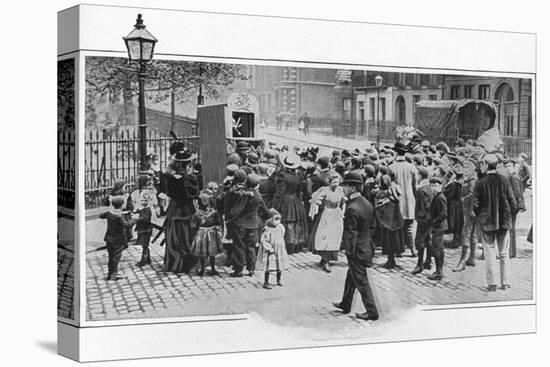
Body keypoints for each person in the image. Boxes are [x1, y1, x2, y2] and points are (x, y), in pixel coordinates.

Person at [333, 172, 379, 321]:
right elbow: (373, 225)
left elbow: (350, 233)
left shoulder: (352, 208)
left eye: (345, 186)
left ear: (352, 188)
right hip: (366, 246)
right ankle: (345, 303)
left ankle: (372, 312)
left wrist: (349, 251)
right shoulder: (366, 203)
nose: (343, 189)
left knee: (361, 281)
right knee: (351, 276)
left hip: (357, 251)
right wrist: (366, 239)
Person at [473, 154, 517, 291]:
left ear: (486, 165)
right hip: (504, 222)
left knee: (490, 253)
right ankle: (505, 282)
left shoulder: (480, 183)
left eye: (482, 164)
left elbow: (475, 205)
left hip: (488, 223)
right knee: (504, 254)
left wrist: (481, 216)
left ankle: (492, 284)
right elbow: (512, 202)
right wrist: (509, 216)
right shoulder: (504, 180)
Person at [163, 149, 200, 274]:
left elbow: (167, 191)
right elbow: (195, 193)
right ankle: (187, 264)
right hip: (188, 209)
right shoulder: (191, 178)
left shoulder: (172, 178)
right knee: (188, 234)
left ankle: (174, 263)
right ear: (189, 163)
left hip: (175, 209)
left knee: (175, 235)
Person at [225, 173, 270, 277]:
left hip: (239, 224)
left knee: (238, 247)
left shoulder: (240, 193)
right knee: (251, 247)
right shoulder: (258, 196)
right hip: (253, 225)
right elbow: (265, 211)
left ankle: (238, 270)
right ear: (257, 185)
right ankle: (251, 269)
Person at [271, 152, 308, 254]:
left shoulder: (283, 176)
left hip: (286, 201)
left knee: (288, 223)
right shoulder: (297, 176)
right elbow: (299, 191)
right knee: (296, 223)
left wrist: (274, 207)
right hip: (296, 201)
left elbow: (280, 193)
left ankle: (288, 246)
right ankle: (296, 246)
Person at [308, 172, 346, 273]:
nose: (336, 184)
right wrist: (315, 209)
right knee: (325, 236)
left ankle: (327, 259)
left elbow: (344, 201)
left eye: (337, 182)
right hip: (327, 214)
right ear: (329, 182)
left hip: (337, 214)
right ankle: (325, 260)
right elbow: (316, 200)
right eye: (334, 182)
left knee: (334, 237)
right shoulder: (325, 190)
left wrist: (343, 211)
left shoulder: (340, 190)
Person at [388, 142, 417, 257]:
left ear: (395, 152)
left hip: (397, 200)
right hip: (410, 199)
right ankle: (413, 250)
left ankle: (398, 250)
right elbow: (415, 186)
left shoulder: (391, 167)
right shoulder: (411, 167)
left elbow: (390, 186)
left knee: (397, 227)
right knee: (410, 226)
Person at [99, 196, 135, 280]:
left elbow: (101, 215)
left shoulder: (110, 213)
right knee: (116, 257)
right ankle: (113, 275)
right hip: (118, 240)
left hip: (109, 239)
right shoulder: (119, 217)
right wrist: (135, 220)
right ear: (121, 205)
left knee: (111, 256)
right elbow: (127, 224)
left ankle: (110, 273)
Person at [190, 189, 223, 276]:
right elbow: (218, 222)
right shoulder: (214, 213)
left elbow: (193, 226)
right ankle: (212, 268)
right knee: (212, 252)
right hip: (212, 232)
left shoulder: (197, 214)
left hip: (201, 233)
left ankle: (203, 269)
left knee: (202, 252)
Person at [374, 175, 404, 269]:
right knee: (394, 241)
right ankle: (393, 258)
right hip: (394, 223)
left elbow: (377, 205)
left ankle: (390, 260)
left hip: (386, 223)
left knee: (388, 242)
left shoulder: (381, 193)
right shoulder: (393, 193)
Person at [454, 158, 479, 271]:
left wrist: (463, 199)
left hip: (470, 210)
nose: (465, 169)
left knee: (466, 234)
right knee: (472, 233)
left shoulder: (472, 180)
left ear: (473, 169)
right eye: (464, 167)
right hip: (470, 210)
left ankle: (462, 261)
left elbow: (472, 194)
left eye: (468, 167)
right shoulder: (469, 178)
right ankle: (472, 258)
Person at [257, 209, 289, 289]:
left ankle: (278, 279)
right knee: (269, 266)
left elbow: (282, 234)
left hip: (280, 250)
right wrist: (269, 247)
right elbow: (263, 240)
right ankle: (266, 282)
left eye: (279, 219)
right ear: (270, 220)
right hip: (271, 251)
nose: (278, 222)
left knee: (279, 265)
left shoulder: (281, 227)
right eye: (276, 219)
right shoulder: (267, 229)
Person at [412, 167, 434, 274]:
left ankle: (419, 264)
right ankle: (428, 261)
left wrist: (421, 217)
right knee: (427, 239)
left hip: (423, 219)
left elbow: (424, 206)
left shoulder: (421, 190)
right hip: (429, 219)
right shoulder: (429, 188)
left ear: (420, 176)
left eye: (417, 175)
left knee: (420, 240)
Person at [504, 158, 526, 258]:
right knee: (510, 229)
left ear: (513, 167)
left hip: (512, 206)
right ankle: (511, 252)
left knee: (511, 230)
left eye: (509, 166)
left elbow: (517, 193)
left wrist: (514, 206)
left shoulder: (513, 177)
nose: (508, 168)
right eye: (506, 166)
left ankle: (512, 253)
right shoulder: (511, 176)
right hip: (512, 205)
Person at [428, 176, 448, 280]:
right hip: (439, 227)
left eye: (435, 186)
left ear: (440, 186)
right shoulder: (437, 196)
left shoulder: (440, 197)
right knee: (439, 249)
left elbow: (444, 213)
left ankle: (439, 272)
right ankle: (438, 270)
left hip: (439, 227)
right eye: (432, 186)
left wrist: (435, 221)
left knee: (437, 249)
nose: (433, 188)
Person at [134, 191, 154, 267]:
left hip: (146, 230)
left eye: (145, 201)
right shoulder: (142, 209)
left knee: (145, 245)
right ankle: (148, 259)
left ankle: (143, 260)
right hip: (142, 229)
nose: (143, 202)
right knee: (144, 245)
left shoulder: (148, 210)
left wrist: (138, 218)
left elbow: (146, 219)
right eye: (142, 200)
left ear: (149, 201)